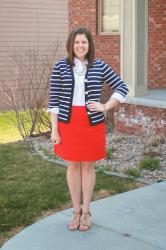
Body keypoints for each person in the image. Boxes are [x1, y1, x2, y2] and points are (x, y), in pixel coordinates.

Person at [48, 27, 129, 231]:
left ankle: (86, 212)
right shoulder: (60, 66)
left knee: (88, 167)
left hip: (91, 124)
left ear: (89, 45)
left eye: (84, 42)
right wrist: (54, 129)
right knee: (73, 166)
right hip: (68, 123)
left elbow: (122, 87)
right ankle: (75, 211)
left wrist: (104, 106)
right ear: (71, 45)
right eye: (76, 42)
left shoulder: (99, 66)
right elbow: (54, 101)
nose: (80, 46)